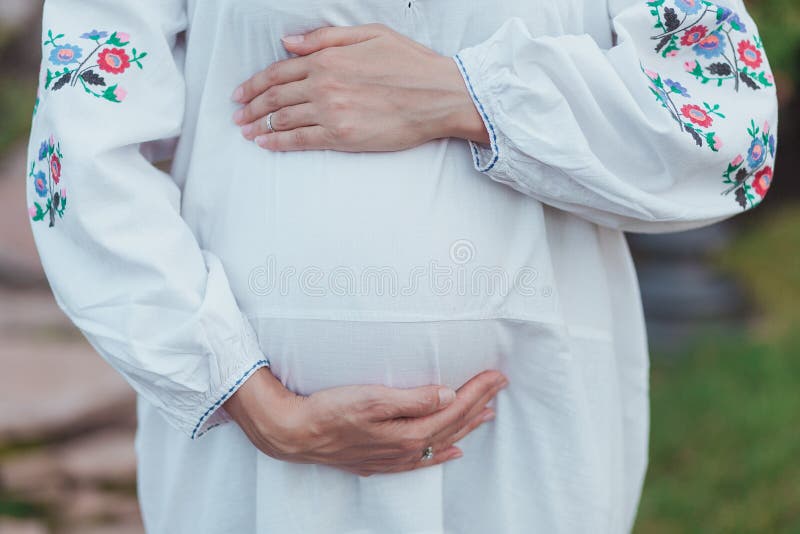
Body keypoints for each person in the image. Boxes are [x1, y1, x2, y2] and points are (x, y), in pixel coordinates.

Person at [27, 0, 778, 532]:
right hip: (247, 453)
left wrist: (465, 95)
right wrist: (249, 399)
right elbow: (84, 159)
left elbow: (728, 124)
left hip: (521, 436)